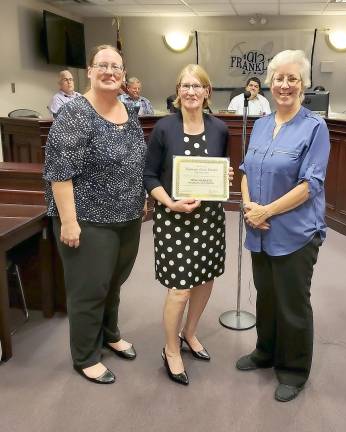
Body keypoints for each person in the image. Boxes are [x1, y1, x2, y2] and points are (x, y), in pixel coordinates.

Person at [44, 45, 147, 384]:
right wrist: (69, 222)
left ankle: (110, 334)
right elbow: (59, 173)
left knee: (113, 283)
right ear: (89, 71)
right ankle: (86, 355)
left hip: (127, 216)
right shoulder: (74, 114)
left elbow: (135, 159)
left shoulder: (128, 110)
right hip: (87, 220)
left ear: (123, 73)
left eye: (116, 67)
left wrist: (141, 195)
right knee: (89, 289)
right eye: (102, 65)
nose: (109, 72)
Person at [236, 50, 330, 402]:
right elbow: (245, 169)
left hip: (295, 233)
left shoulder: (314, 127)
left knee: (292, 302)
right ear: (270, 83)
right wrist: (249, 207)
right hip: (259, 229)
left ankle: (293, 369)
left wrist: (266, 212)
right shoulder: (261, 123)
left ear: (303, 85)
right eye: (279, 78)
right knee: (267, 296)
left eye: (293, 79)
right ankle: (265, 351)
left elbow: (311, 184)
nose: (285, 85)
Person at [144, 64, 233, 386]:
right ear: (178, 91)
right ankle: (170, 349)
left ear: (208, 92)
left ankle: (189, 333)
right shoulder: (164, 129)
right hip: (174, 219)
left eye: (198, 86)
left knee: (205, 280)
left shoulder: (220, 129)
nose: (192, 91)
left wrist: (226, 177)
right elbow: (149, 175)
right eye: (185, 85)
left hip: (209, 219)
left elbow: (221, 170)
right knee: (180, 290)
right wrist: (169, 202)